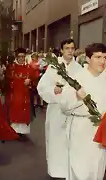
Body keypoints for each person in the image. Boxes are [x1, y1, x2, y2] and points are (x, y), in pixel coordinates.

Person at [59, 43, 106, 180]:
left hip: (101, 130)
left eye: (104, 57)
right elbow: (63, 105)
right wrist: (76, 97)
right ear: (88, 59)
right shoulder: (77, 78)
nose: (102, 61)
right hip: (81, 129)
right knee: (80, 169)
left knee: (98, 167)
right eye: (98, 57)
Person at [37, 39, 82, 179]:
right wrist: (53, 90)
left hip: (73, 112)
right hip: (56, 110)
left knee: (71, 142)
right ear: (61, 50)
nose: (70, 51)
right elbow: (42, 87)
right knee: (56, 141)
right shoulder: (54, 67)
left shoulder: (79, 68)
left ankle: (70, 171)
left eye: (72, 48)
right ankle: (56, 171)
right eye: (67, 48)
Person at [6, 48, 39, 140]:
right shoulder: (11, 67)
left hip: (25, 95)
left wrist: (30, 81)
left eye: (23, 56)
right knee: (15, 112)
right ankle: (14, 132)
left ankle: (22, 133)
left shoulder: (29, 68)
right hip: (14, 95)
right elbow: (7, 80)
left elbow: (35, 80)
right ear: (17, 57)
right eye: (19, 56)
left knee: (24, 113)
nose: (21, 58)